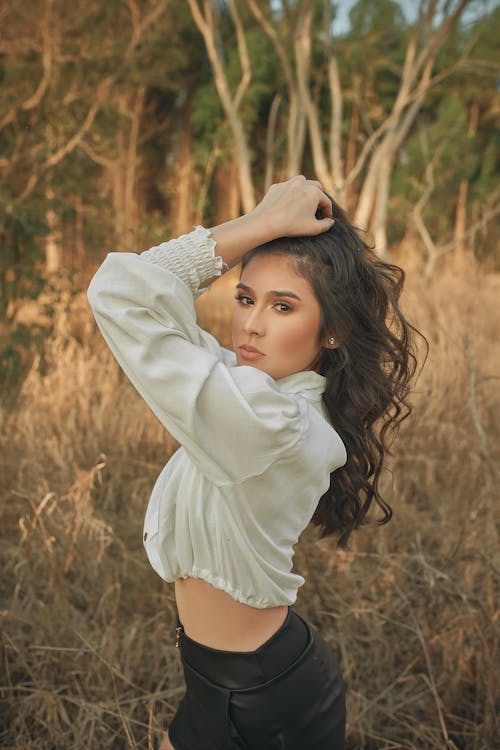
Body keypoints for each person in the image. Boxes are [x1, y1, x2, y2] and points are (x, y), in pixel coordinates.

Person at [87, 175, 423, 749]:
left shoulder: (271, 423)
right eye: (245, 298)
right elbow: (142, 293)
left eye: (283, 306)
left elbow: (120, 293)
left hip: (266, 703)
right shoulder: (255, 390)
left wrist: (259, 225)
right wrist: (261, 229)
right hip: (216, 679)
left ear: (334, 331)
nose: (251, 324)